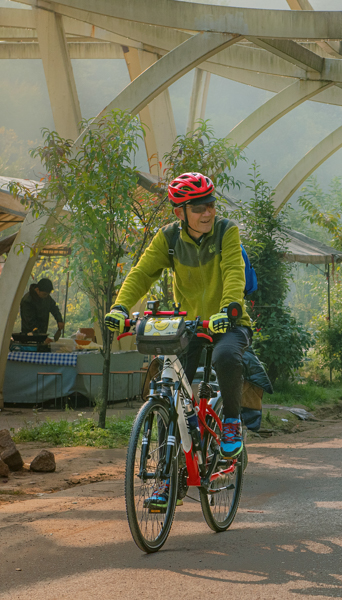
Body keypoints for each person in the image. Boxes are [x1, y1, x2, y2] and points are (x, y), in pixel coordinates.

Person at [104, 172, 252, 507]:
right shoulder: (168, 238)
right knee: (168, 395)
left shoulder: (226, 231)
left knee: (226, 358)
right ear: (179, 213)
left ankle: (230, 421)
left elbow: (232, 271)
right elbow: (142, 273)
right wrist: (120, 306)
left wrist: (229, 307)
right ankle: (168, 481)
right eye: (198, 207)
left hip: (227, 321)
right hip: (190, 324)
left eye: (211, 203)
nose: (208, 212)